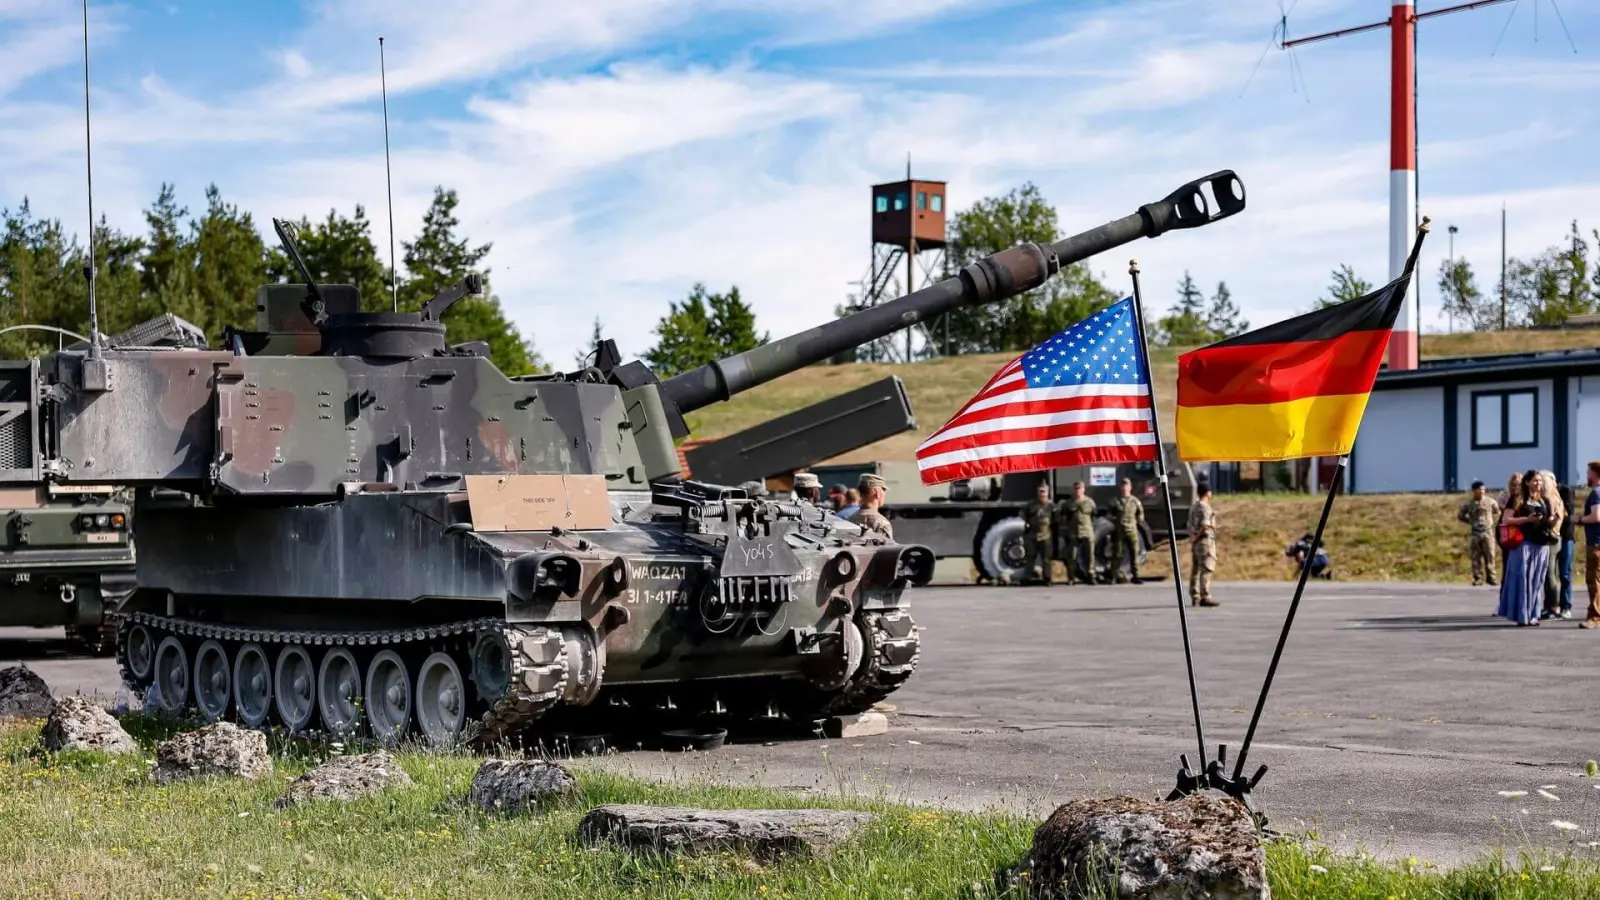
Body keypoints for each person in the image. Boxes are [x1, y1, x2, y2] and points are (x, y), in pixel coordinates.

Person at [1497, 468, 1556, 626]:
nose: (1539, 483)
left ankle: (1534, 614)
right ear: (1528, 482)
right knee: (1524, 580)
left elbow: (1547, 521)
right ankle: (1522, 615)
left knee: (1537, 580)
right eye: (1536, 480)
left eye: (1540, 481)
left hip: (1542, 544)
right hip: (1524, 544)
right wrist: (1526, 519)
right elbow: (1507, 519)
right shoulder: (1517, 499)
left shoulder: (1544, 500)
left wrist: (1553, 519)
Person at [1456, 480, 1500, 587]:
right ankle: (1478, 578)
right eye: (1479, 489)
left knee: (1490, 555)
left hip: (1488, 531)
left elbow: (1497, 512)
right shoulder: (1469, 504)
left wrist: (1491, 521)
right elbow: (1461, 516)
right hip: (1475, 532)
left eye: (1483, 489)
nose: (1482, 491)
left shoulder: (1491, 502)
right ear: (1474, 491)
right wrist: (1471, 522)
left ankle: (1492, 577)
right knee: (1475, 556)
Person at [1538, 470, 1569, 620]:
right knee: (1550, 574)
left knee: (1550, 575)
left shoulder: (1550, 499)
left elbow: (1553, 519)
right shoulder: (1554, 497)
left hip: (1552, 538)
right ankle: (1550, 606)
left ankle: (1555, 607)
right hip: (1555, 538)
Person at [1187, 483, 1220, 607]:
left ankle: (1194, 595)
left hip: (1196, 542)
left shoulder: (1194, 507)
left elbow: (1189, 524)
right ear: (1207, 493)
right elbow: (1205, 524)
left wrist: (1192, 537)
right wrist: (1198, 535)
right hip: (1205, 540)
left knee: (1195, 569)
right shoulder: (1205, 507)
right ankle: (1204, 595)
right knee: (1206, 568)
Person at [1577, 461, 1600, 630]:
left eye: (1589, 472)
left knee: (1594, 581)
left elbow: (1596, 517)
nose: (1587, 475)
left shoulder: (1596, 494)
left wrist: (1577, 519)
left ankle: (1595, 617)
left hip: (1596, 543)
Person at [1059, 481, 1096, 585]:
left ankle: (1091, 575)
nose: (1078, 490)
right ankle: (1071, 577)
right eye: (1076, 488)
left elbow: (1093, 516)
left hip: (1087, 532)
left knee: (1089, 556)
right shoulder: (1068, 503)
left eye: (1080, 488)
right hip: (1073, 533)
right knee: (1072, 556)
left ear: (1084, 489)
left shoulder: (1090, 502)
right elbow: (1064, 518)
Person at [1110, 477, 1143, 584]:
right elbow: (1109, 514)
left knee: (1134, 553)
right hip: (1119, 531)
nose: (1125, 488)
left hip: (1132, 531)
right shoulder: (1115, 501)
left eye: (1127, 486)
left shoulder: (1135, 501)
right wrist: (1115, 522)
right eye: (1123, 486)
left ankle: (1136, 576)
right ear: (1120, 487)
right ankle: (1113, 576)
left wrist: (1135, 523)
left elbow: (1140, 515)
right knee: (1117, 554)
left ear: (1130, 487)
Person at [1022, 483, 1054, 585]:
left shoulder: (1051, 506)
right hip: (1032, 535)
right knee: (1030, 557)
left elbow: (1057, 519)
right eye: (1040, 492)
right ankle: (1028, 577)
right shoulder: (1031, 505)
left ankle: (1047, 579)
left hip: (1045, 535)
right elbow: (1022, 515)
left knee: (1046, 559)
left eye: (1044, 492)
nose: (1042, 494)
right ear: (1037, 493)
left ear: (1047, 493)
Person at [848, 473, 893, 540]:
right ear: (877, 492)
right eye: (883, 489)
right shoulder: (881, 523)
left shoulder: (849, 519)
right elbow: (887, 549)